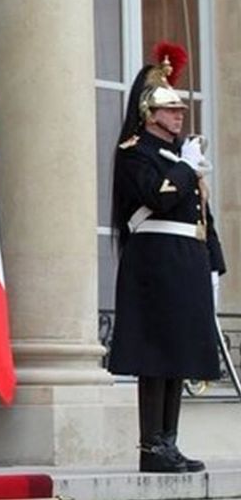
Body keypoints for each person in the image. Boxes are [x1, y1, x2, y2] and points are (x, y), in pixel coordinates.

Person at [108, 43, 226, 473]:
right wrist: (186, 169)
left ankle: (169, 442)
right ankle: (151, 447)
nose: (179, 115)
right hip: (155, 262)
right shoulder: (135, 152)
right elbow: (157, 198)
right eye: (170, 109)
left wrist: (213, 261)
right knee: (155, 355)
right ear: (149, 112)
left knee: (178, 352)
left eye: (180, 109)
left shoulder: (179, 157)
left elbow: (201, 215)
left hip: (185, 260)